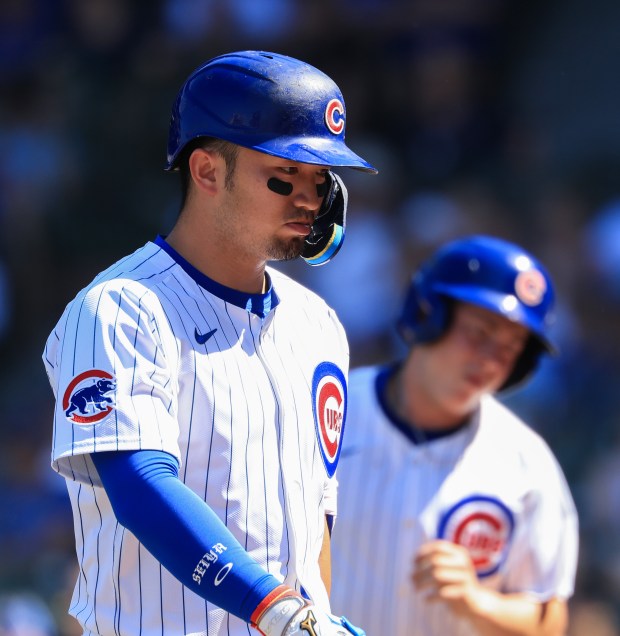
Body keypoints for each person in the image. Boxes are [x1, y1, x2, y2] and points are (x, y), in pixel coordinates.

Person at [42, 50, 377, 636]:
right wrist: (278, 611)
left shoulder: (319, 324)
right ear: (207, 172)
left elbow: (315, 517)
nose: (309, 199)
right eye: (285, 174)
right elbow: (140, 483)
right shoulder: (121, 308)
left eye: (321, 179)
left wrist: (321, 615)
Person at [329, 235, 579, 635]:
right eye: (480, 332)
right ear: (429, 313)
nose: (490, 359)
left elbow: (551, 623)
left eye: (511, 347)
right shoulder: (331, 410)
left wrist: (477, 601)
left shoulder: (527, 462)